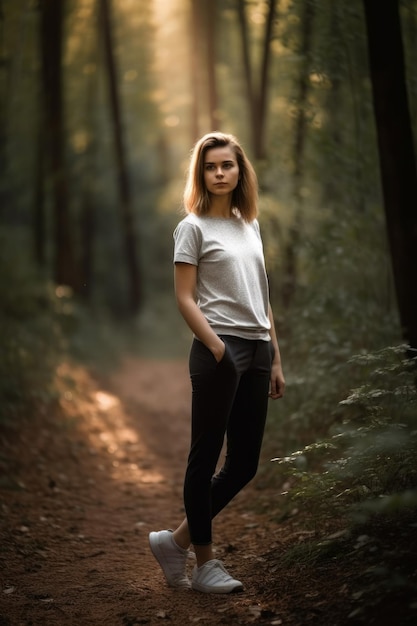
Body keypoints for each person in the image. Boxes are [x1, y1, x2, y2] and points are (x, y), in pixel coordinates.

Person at [149, 132, 285, 594]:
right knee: (204, 457)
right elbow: (185, 298)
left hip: (259, 349)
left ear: (240, 172)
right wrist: (217, 347)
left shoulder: (250, 224)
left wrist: (276, 357)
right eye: (211, 167)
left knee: (244, 463)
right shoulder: (193, 227)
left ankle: (176, 541)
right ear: (202, 174)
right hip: (218, 349)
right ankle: (205, 563)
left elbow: (262, 299)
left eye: (228, 165)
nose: (220, 173)